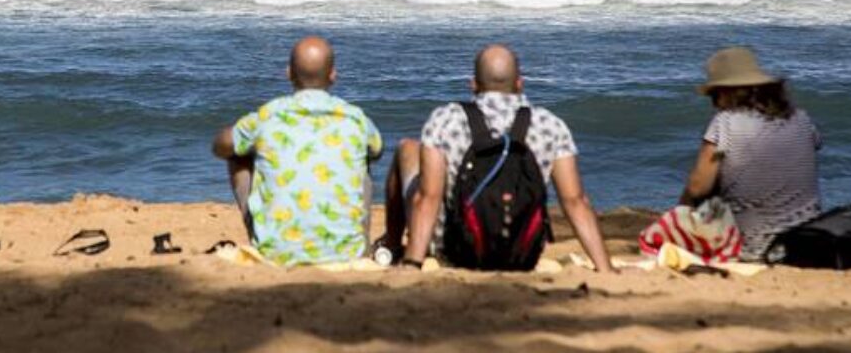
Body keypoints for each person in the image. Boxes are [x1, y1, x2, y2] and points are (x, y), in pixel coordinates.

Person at [383, 44, 613, 271]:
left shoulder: (446, 119)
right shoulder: (550, 125)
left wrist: (413, 264)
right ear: (520, 84)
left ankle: (392, 246)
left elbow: (428, 198)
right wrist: (605, 268)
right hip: (523, 254)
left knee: (408, 150)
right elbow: (575, 201)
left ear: (473, 84)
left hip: (456, 251)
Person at [212, 36, 383, 266]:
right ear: (333, 74)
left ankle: (265, 241)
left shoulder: (267, 116)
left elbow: (220, 145)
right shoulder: (356, 119)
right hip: (346, 257)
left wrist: (244, 138)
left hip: (276, 258)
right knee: (364, 157)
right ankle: (358, 247)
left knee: (238, 154)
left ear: (288, 73)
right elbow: (378, 149)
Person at [680, 46, 821, 260]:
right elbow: (812, 146)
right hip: (808, 239)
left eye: (715, 95)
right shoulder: (802, 118)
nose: (714, 104)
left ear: (727, 92)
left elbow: (699, 187)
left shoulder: (725, 123)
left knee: (705, 194)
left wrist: (680, 214)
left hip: (756, 246)